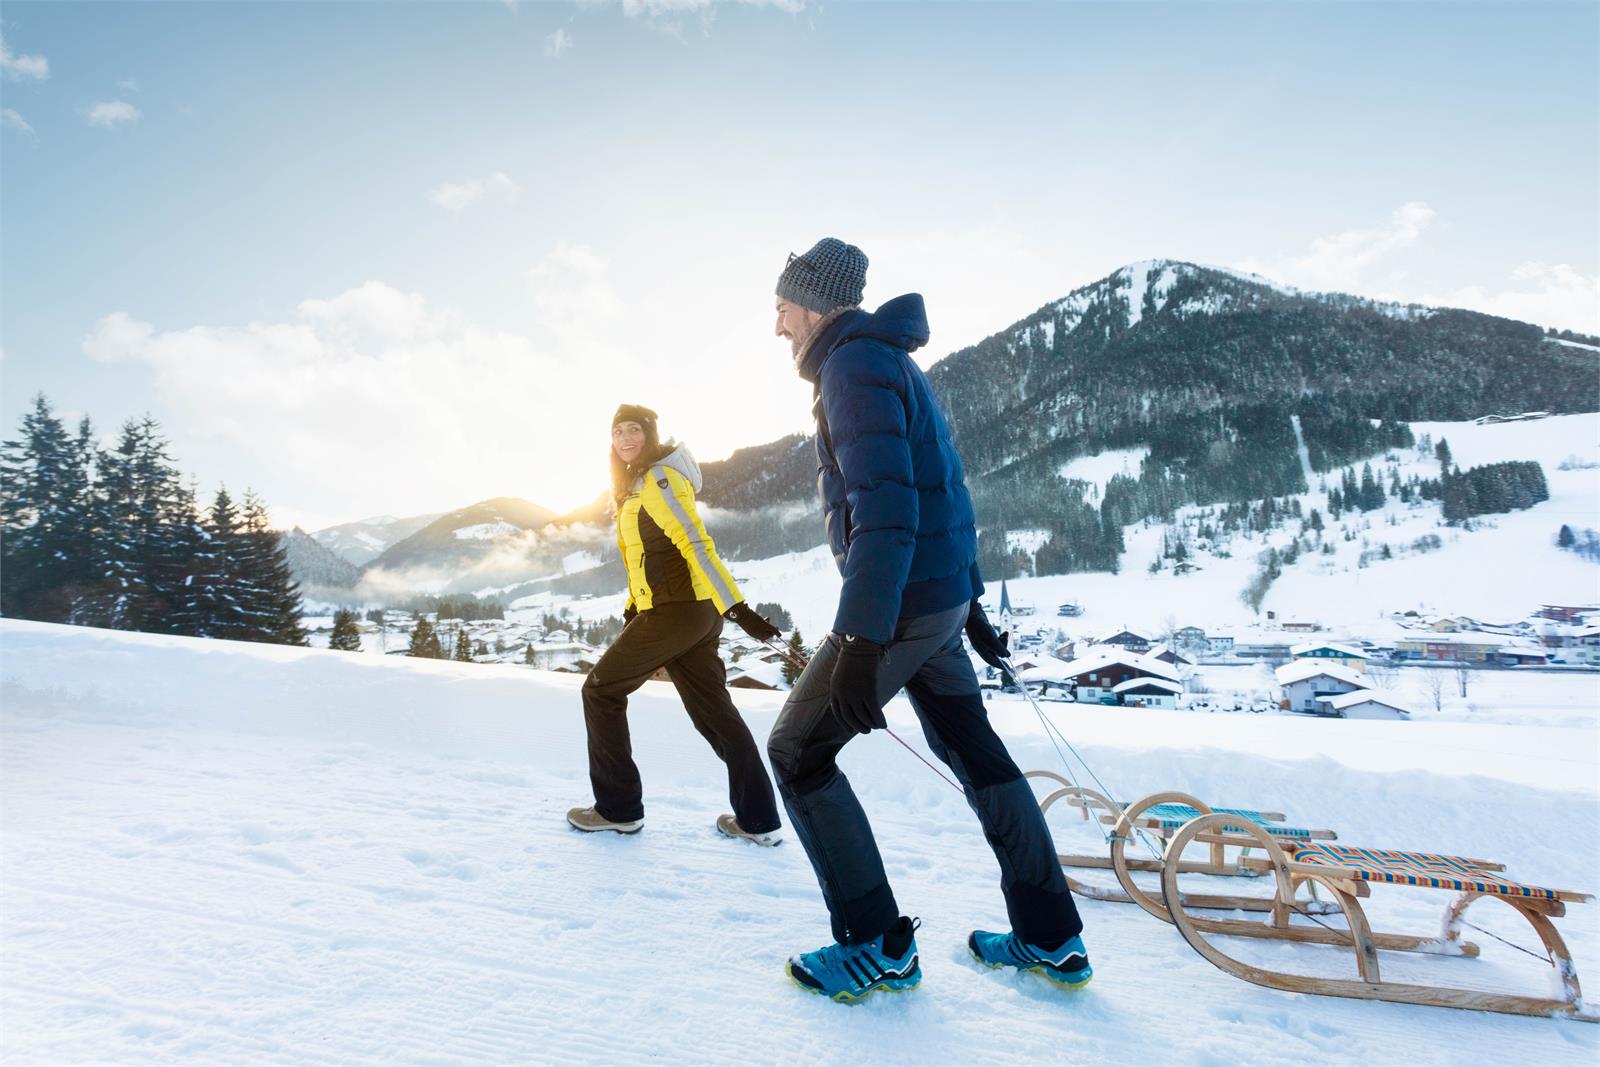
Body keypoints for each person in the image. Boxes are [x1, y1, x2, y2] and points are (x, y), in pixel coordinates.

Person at [766, 239, 1089, 1001]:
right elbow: (949, 488)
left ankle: (877, 943)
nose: (777, 327)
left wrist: (859, 637)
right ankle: (1051, 935)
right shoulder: (889, 361)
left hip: (902, 606)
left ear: (813, 303)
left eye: (781, 308)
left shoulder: (852, 366)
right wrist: (969, 604)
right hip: (934, 601)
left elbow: (889, 509)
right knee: (975, 752)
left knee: (797, 751)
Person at [567, 404, 786, 846]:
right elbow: (643, 557)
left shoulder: (659, 480)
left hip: (678, 612)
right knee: (716, 715)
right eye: (617, 431)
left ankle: (618, 809)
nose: (625, 438)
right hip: (689, 614)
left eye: (634, 430)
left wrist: (738, 608)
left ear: (650, 434)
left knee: (600, 691)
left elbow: (695, 543)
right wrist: (635, 606)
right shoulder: (637, 484)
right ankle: (758, 821)